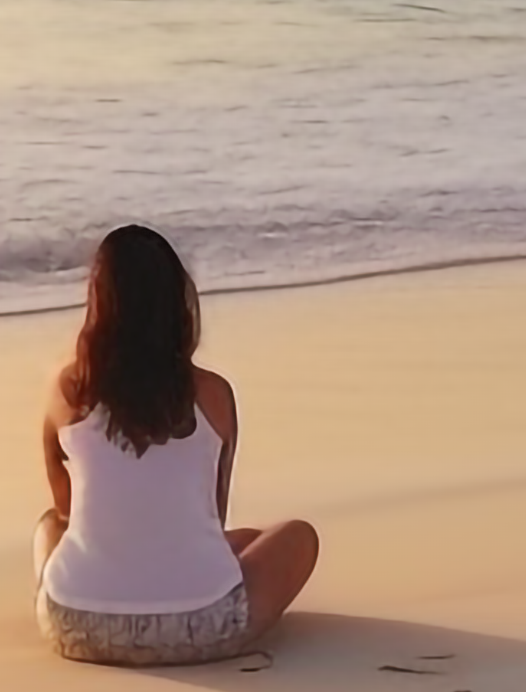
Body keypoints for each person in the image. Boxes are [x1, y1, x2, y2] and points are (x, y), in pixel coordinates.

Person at [34, 224, 319, 665]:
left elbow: (68, 512)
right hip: (201, 626)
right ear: (178, 302)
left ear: (98, 301)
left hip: (75, 623)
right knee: (296, 537)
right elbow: (213, 513)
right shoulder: (213, 395)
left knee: (49, 525)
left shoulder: (68, 389)